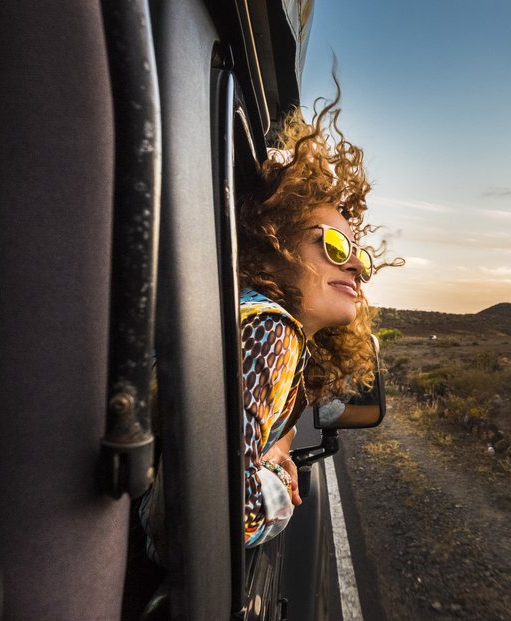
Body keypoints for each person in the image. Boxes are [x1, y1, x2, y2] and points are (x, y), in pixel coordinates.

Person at [140, 92, 386, 558]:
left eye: (360, 256)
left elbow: (239, 423)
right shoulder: (271, 331)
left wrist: (277, 443)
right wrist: (275, 483)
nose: (355, 266)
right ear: (274, 246)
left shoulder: (248, 323)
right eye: (335, 245)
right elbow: (215, 515)